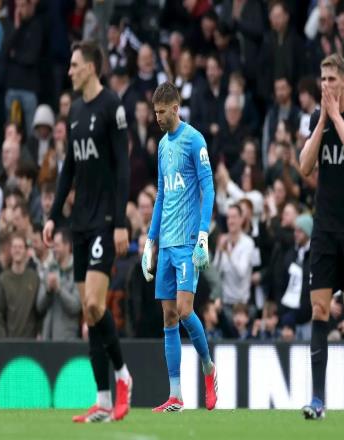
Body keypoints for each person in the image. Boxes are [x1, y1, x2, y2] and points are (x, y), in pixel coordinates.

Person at [42, 40, 131, 423]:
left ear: (91, 67)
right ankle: (103, 399)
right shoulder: (75, 111)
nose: (70, 71)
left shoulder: (112, 106)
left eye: (75, 65)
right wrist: (52, 215)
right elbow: (68, 169)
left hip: (105, 221)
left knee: (95, 303)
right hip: (79, 222)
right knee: (89, 313)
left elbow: (123, 166)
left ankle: (123, 377)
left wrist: (121, 221)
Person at [299, 54, 344, 421]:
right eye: (322, 78)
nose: (325, 85)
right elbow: (304, 166)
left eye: (331, 79)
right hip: (324, 230)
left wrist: (336, 117)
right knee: (319, 309)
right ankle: (317, 399)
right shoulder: (318, 118)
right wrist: (323, 120)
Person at [141, 82, 218, 413]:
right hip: (167, 245)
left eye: (162, 112)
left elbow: (209, 189)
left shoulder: (194, 140)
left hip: (187, 242)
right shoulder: (162, 146)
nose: (157, 118)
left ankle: (208, 368)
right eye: (155, 112)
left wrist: (203, 236)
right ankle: (176, 395)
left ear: (175, 108)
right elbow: (161, 194)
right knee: (169, 316)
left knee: (186, 310)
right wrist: (150, 241)